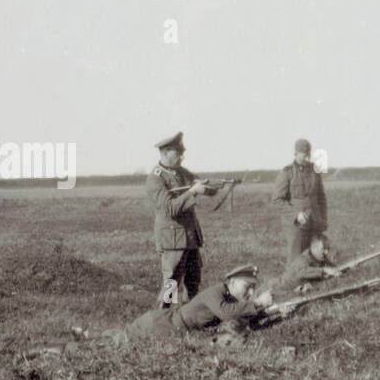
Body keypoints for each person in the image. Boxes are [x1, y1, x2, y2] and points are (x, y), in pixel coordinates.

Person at [110, 264, 270, 343]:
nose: (250, 293)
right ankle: (87, 336)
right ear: (233, 282)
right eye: (247, 287)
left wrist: (272, 312)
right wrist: (257, 303)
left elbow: (239, 316)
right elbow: (227, 313)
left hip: (174, 326)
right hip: (161, 323)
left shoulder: (231, 298)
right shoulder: (216, 292)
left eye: (253, 289)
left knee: (122, 338)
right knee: (120, 339)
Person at [146, 131, 215, 307]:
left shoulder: (181, 172)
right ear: (165, 153)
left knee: (193, 280)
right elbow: (170, 208)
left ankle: (189, 316)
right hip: (172, 239)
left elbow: (202, 186)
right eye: (178, 153)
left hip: (189, 237)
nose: (182, 157)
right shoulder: (155, 178)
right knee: (171, 283)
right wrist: (192, 192)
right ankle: (161, 317)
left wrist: (209, 187)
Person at [272, 138, 328, 265]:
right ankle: (292, 284)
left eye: (308, 154)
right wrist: (295, 214)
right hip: (296, 225)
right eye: (304, 154)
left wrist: (323, 219)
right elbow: (277, 200)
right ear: (296, 154)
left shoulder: (315, 171)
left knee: (316, 256)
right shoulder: (287, 173)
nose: (307, 157)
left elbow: (321, 198)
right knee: (296, 260)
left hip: (315, 221)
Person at [267, 232, 340, 296]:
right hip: (279, 289)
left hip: (294, 291)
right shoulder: (303, 259)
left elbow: (333, 268)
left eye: (328, 249)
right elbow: (303, 272)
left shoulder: (319, 257)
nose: (326, 252)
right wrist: (324, 270)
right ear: (313, 247)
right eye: (323, 249)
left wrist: (336, 271)